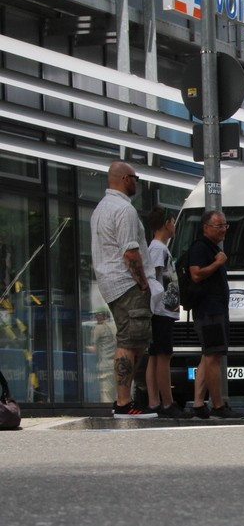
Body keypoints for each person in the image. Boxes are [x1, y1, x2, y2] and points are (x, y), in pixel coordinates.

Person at [90, 161, 156, 417]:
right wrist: (142, 282)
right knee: (130, 340)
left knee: (135, 339)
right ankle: (123, 403)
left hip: (111, 283)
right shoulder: (124, 210)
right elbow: (130, 252)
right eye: (136, 178)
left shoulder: (101, 209)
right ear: (126, 179)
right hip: (126, 283)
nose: (137, 183)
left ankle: (124, 400)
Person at [187, 210, 244, 419]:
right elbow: (195, 274)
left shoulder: (212, 247)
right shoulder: (201, 247)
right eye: (218, 226)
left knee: (208, 355)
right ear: (206, 228)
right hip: (209, 310)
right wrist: (217, 263)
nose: (223, 230)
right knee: (213, 356)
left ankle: (199, 403)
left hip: (216, 308)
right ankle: (218, 405)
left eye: (225, 226)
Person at [144, 207, 184, 418]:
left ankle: (154, 402)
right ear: (168, 223)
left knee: (155, 355)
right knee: (163, 355)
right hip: (161, 311)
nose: (174, 226)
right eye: (173, 222)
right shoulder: (158, 249)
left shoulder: (158, 248)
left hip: (161, 310)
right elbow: (155, 278)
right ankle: (167, 403)